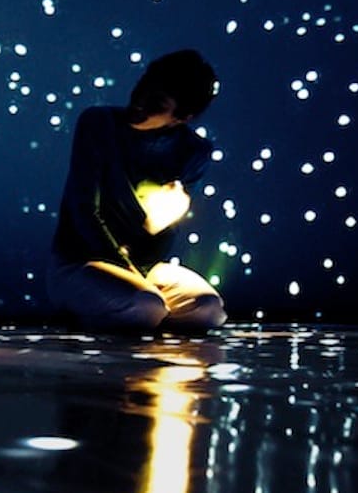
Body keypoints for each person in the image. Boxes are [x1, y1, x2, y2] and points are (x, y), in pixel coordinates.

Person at [49, 49, 227, 331]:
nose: (140, 101)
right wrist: (130, 270)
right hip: (80, 263)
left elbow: (160, 234)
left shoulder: (194, 152)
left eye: (156, 101)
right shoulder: (99, 123)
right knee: (147, 306)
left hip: (146, 267)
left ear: (181, 117)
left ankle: (132, 309)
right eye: (142, 87)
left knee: (208, 310)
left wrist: (161, 221)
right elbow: (84, 209)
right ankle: (104, 311)